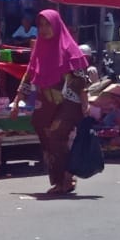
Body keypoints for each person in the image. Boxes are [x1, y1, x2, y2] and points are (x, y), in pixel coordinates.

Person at [11, 10, 90, 194]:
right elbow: (30, 74)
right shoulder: (40, 48)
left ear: (56, 25)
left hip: (69, 102)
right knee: (46, 136)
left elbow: (81, 79)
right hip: (46, 100)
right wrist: (17, 101)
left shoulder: (69, 48)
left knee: (56, 134)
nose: (44, 29)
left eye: (48, 24)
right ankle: (59, 180)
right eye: (41, 25)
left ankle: (68, 177)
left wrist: (85, 103)